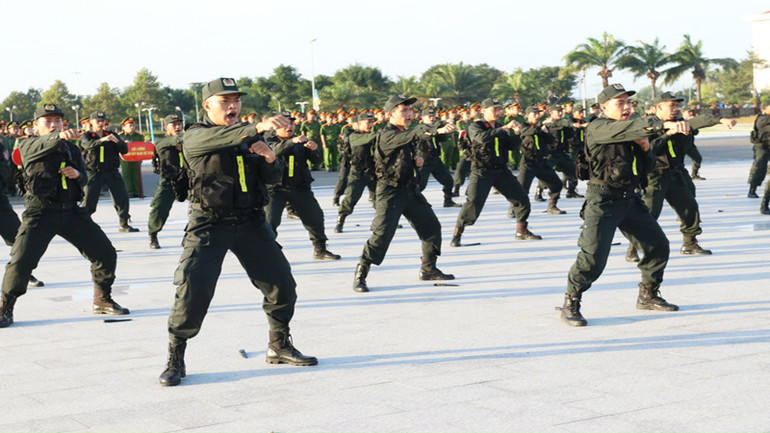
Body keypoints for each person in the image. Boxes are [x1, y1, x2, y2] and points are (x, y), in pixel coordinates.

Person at [159, 78, 316, 386]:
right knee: (193, 289)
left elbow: (270, 178)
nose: (232, 106)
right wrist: (256, 129)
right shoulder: (195, 135)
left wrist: (270, 158)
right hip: (209, 223)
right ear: (207, 106)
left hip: (250, 221)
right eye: (224, 101)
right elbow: (218, 138)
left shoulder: (246, 137)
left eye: (236, 101)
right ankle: (176, 356)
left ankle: (278, 344)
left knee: (281, 283)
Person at [561, 84, 686, 327]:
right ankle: (571, 301)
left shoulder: (632, 132)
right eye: (620, 103)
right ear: (604, 107)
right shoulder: (599, 127)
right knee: (593, 258)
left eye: (629, 103)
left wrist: (646, 148)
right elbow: (628, 128)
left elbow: (646, 168)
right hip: (602, 200)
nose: (627, 107)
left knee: (658, 245)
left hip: (630, 199)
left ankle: (648, 293)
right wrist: (661, 125)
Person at [0, 104, 130, 328]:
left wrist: (77, 174)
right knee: (21, 261)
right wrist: (56, 136)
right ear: (36, 125)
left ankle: (102, 299)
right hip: (40, 211)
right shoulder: (28, 144)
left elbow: (84, 178)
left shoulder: (70, 148)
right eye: (47, 121)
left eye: (57, 121)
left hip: (70, 210)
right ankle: (5, 307)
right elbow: (39, 146)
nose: (53, 124)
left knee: (105, 253)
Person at [353, 95, 456, 293]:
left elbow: (403, 152)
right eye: (404, 111)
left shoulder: (404, 133)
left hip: (410, 190)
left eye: (410, 110)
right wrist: (436, 130)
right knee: (381, 236)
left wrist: (416, 162)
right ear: (390, 114)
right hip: (390, 192)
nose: (409, 114)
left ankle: (428, 269)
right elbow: (413, 134)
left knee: (432, 227)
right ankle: (361, 274)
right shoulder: (386, 134)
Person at [625, 91, 735, 262]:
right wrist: (668, 133)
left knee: (689, 208)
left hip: (676, 174)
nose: (675, 109)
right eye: (671, 105)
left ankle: (689, 243)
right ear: (658, 107)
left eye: (677, 105)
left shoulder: (679, 123)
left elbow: (697, 121)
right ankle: (632, 249)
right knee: (648, 214)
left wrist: (720, 120)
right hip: (655, 176)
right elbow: (650, 149)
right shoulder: (646, 125)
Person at [449, 98, 542, 247]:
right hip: (481, 171)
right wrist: (503, 129)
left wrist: (517, 134)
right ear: (484, 111)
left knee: (522, 198)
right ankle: (457, 234)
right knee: (473, 202)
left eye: (499, 109)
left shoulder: (500, 126)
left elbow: (510, 146)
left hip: (501, 171)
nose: (498, 112)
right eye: (494, 109)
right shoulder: (476, 126)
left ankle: (521, 230)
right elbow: (481, 138)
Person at [263, 113, 341, 261]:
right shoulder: (268, 140)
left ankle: (320, 249)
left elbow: (316, 161)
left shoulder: (301, 140)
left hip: (299, 187)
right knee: (269, 220)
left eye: (292, 124)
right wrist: (292, 142)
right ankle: (267, 254)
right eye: (286, 124)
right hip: (275, 188)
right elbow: (274, 151)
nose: (290, 126)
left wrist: (314, 150)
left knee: (315, 217)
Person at [80, 111, 139, 232]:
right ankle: (83, 225)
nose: (101, 124)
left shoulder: (112, 134)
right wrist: (102, 140)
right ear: (91, 122)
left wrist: (118, 141)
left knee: (122, 197)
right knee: (89, 200)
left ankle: (124, 223)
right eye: (98, 121)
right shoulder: (87, 136)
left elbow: (124, 150)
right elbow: (88, 146)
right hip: (93, 171)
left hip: (111, 171)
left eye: (103, 121)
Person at [517, 106, 566, 214]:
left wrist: (546, 132)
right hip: (528, 161)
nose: (537, 116)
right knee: (521, 188)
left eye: (538, 114)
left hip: (541, 161)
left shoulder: (542, 127)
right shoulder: (524, 126)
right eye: (534, 114)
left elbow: (551, 141)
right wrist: (540, 126)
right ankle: (515, 209)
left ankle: (552, 206)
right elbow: (526, 132)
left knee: (557, 184)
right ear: (527, 115)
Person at [335, 112, 377, 233]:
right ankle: (340, 220)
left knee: (380, 199)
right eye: (367, 122)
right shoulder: (354, 136)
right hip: (358, 173)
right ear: (359, 124)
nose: (370, 124)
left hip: (374, 172)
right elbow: (367, 138)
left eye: (372, 122)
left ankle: (381, 223)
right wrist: (380, 134)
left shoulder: (374, 136)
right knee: (351, 198)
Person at [147, 113, 185, 249]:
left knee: (201, 207)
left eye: (179, 124)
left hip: (188, 179)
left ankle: (190, 236)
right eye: (173, 124)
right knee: (159, 208)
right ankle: (153, 234)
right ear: (166, 127)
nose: (177, 127)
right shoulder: (162, 142)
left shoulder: (185, 140)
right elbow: (176, 141)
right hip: (169, 180)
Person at [416, 108, 461, 208]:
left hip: (435, 159)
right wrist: (438, 127)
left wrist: (443, 128)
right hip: (424, 159)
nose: (432, 118)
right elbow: (427, 134)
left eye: (433, 116)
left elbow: (442, 138)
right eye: (429, 116)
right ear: (423, 117)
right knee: (420, 185)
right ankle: (417, 204)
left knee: (449, 181)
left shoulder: (436, 127)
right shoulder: (420, 128)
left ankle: (448, 200)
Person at [748, 104, 770, 199]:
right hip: (762, 146)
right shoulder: (762, 119)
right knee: (761, 166)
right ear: (764, 109)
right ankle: (752, 190)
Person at [119, 118, 143, 197]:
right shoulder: (120, 136)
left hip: (137, 159)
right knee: (127, 175)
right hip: (125, 159)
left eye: (133, 125)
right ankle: (129, 192)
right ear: (123, 127)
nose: (132, 127)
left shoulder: (139, 136)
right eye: (130, 125)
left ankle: (137, 192)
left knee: (137, 175)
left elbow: (142, 146)